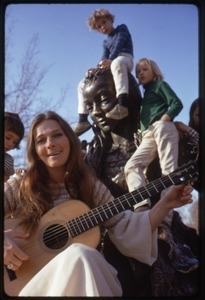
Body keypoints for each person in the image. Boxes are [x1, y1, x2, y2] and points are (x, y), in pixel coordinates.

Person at [4, 111, 194, 297]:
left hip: (81, 278)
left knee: (82, 256)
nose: (50, 143)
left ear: (70, 140)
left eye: (57, 135)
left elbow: (126, 226)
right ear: (35, 151)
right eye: (41, 140)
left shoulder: (91, 188)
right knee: (81, 255)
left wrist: (165, 203)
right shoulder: (21, 185)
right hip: (33, 285)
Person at [124, 58, 183, 222]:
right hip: (148, 134)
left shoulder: (160, 85)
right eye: (138, 71)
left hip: (162, 127)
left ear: (154, 71)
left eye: (144, 69)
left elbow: (176, 103)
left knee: (168, 169)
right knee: (131, 165)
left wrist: (165, 119)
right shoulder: (144, 96)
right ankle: (141, 205)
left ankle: (166, 215)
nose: (140, 73)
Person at [74, 8, 134, 136]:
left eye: (104, 22)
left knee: (117, 63)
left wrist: (111, 60)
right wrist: (97, 69)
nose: (102, 27)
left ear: (110, 20)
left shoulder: (122, 29)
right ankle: (83, 120)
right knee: (82, 83)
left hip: (124, 59)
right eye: (99, 27)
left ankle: (122, 105)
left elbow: (119, 44)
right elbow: (103, 57)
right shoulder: (105, 42)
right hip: (111, 62)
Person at [4, 112, 24, 182]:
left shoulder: (9, 160)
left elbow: (6, 185)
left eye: (14, 142)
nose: (10, 144)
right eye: (8, 137)